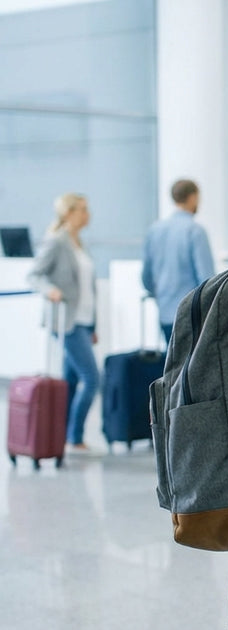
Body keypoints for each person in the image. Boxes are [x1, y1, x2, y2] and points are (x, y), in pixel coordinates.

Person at [27, 193, 100, 453]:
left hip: (83, 321)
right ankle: (75, 437)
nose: (87, 214)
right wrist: (50, 290)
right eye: (82, 209)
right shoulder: (57, 241)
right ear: (68, 213)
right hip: (66, 321)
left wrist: (93, 326)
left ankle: (63, 437)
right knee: (92, 378)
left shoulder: (79, 243)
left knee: (70, 381)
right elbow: (34, 274)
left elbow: (88, 288)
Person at [142, 178, 216, 343]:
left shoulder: (154, 231)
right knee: (191, 367)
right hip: (191, 315)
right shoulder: (195, 231)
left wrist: (160, 295)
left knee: (171, 365)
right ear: (192, 197)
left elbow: (146, 278)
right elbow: (207, 280)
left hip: (165, 314)